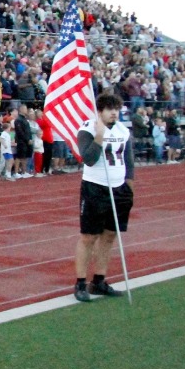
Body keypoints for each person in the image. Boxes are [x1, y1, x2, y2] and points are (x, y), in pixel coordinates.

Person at [73, 93, 135, 303]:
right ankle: (80, 282)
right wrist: (99, 137)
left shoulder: (123, 131)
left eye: (116, 108)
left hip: (118, 189)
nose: (114, 113)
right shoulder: (88, 128)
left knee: (109, 236)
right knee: (89, 236)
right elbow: (88, 159)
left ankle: (99, 280)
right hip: (95, 187)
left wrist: (129, 186)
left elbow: (129, 161)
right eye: (109, 109)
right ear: (100, 111)